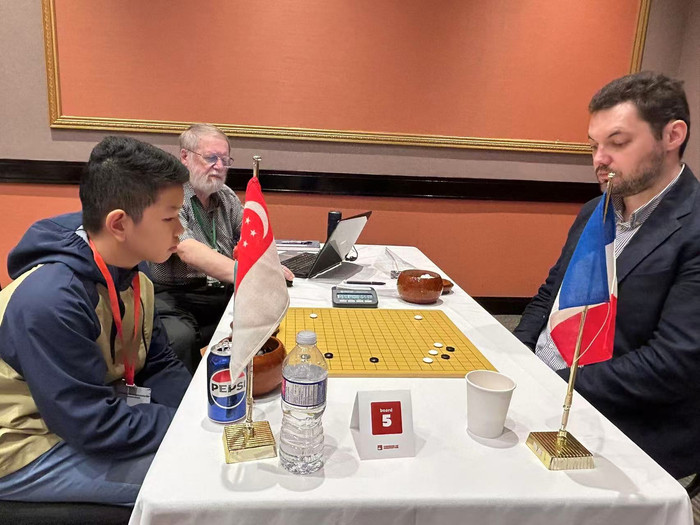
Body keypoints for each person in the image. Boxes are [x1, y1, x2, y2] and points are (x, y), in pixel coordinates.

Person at [514, 71, 696, 479]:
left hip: (621, 418)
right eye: (594, 145)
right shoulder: (595, 211)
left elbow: (672, 363)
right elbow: (549, 295)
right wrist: (517, 358)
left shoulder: (694, 228)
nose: (599, 159)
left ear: (672, 136)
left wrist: (551, 386)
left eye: (618, 142)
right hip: (545, 384)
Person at [0, 136, 192, 506]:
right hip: (22, 441)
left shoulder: (134, 275)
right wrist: (186, 428)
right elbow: (91, 424)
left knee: (203, 453)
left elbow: (158, 363)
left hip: (75, 417)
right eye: (169, 217)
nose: (180, 230)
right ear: (119, 223)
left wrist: (200, 414)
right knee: (187, 481)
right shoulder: (52, 301)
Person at [149, 124, 292, 372]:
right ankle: (187, 394)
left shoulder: (225, 195)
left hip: (220, 291)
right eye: (211, 158)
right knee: (180, 337)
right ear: (185, 156)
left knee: (271, 317)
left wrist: (268, 266)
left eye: (225, 160)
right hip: (176, 296)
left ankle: (255, 379)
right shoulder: (169, 195)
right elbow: (187, 250)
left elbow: (250, 238)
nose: (219, 166)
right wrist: (250, 275)